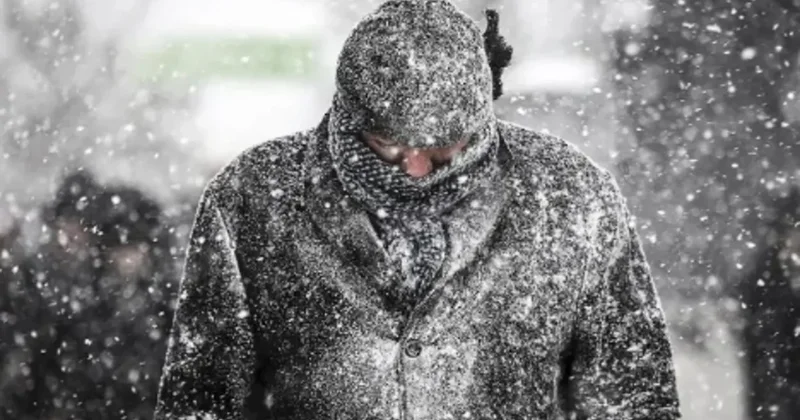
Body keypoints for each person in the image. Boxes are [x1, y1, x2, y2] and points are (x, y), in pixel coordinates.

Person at [155, 1, 681, 419]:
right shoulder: (252, 198)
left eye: (441, 147)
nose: (414, 169)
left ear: (481, 116)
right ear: (346, 115)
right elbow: (199, 399)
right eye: (387, 144)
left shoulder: (572, 199)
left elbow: (632, 396)